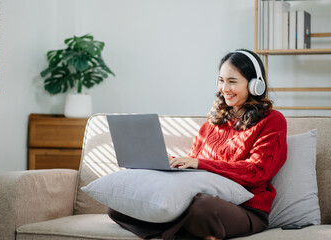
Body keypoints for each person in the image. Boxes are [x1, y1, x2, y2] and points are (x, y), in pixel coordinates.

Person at [108, 49, 288, 240]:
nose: (224, 88)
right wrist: (169, 163)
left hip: (245, 209)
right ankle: (194, 233)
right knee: (118, 209)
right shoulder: (212, 122)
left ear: (254, 85)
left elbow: (257, 171)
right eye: (221, 80)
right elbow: (193, 167)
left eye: (232, 81)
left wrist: (199, 163)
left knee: (203, 209)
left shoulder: (272, 120)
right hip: (199, 200)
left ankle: (177, 231)